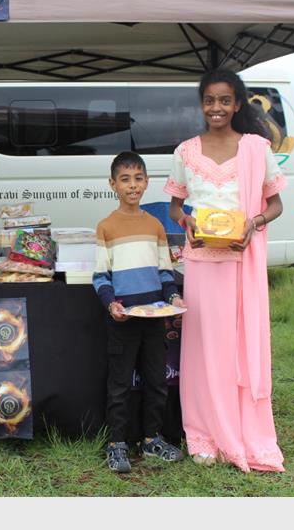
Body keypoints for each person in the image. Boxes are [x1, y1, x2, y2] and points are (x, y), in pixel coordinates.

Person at [164, 68, 286, 473]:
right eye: (209, 100)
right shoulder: (185, 151)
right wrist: (187, 223)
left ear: (237, 104)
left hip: (240, 263)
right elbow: (176, 207)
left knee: (238, 347)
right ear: (202, 104)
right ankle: (203, 432)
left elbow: (275, 204)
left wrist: (255, 223)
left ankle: (243, 430)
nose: (216, 107)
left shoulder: (256, 148)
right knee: (202, 348)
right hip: (201, 264)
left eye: (224, 100)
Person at [93, 151, 186, 473]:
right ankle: (117, 444)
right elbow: (101, 276)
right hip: (122, 319)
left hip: (155, 320)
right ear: (113, 184)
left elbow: (165, 271)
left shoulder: (155, 224)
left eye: (138, 178)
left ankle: (151, 439)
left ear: (147, 182)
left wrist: (173, 297)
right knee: (119, 384)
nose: (132, 186)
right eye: (125, 179)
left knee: (156, 382)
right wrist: (112, 305)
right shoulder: (106, 226)